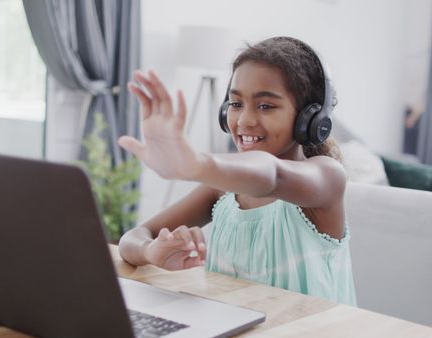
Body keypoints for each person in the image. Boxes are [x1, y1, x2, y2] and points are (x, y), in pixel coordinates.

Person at [118, 36, 356, 305]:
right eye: (235, 104)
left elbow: (271, 175)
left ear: (309, 118)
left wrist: (197, 163)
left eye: (266, 106)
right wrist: (151, 251)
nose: (244, 120)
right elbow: (132, 239)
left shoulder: (326, 178)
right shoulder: (222, 190)